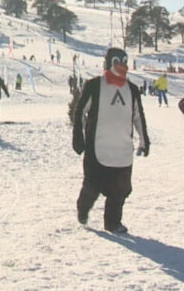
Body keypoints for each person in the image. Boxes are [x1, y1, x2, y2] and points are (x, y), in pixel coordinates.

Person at [72, 47, 150, 234]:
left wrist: (143, 140)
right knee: (92, 187)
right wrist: (78, 136)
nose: (122, 66)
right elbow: (80, 111)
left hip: (123, 149)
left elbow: (138, 116)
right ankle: (83, 209)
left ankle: (113, 222)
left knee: (120, 190)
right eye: (117, 62)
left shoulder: (132, 89)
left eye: (124, 62)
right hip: (98, 147)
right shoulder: (94, 86)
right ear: (108, 63)